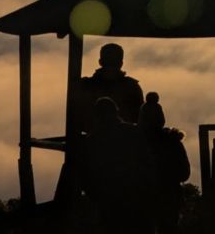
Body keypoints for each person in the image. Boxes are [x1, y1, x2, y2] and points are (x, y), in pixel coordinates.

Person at [76, 96, 157, 234]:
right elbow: (148, 164)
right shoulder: (133, 132)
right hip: (137, 199)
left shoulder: (93, 140)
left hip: (109, 202)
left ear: (97, 115)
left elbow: (85, 174)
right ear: (116, 112)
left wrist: (96, 196)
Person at [138, 92, 191, 234]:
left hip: (140, 200)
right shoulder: (172, 141)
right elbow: (185, 173)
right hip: (169, 198)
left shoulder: (133, 142)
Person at [77, 42, 145, 130]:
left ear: (100, 62)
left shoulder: (86, 85)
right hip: (121, 140)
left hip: (94, 140)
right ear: (121, 63)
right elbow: (140, 119)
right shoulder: (132, 87)